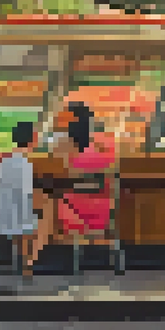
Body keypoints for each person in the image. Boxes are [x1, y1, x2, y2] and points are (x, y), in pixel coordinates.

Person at [0, 121, 40, 277]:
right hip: (19, 220)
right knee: (45, 212)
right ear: (34, 138)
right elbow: (28, 195)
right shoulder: (29, 161)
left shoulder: (1, 161)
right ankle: (29, 262)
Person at [56, 104, 118, 250]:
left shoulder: (63, 150)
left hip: (70, 214)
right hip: (102, 215)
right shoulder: (103, 149)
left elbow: (60, 176)